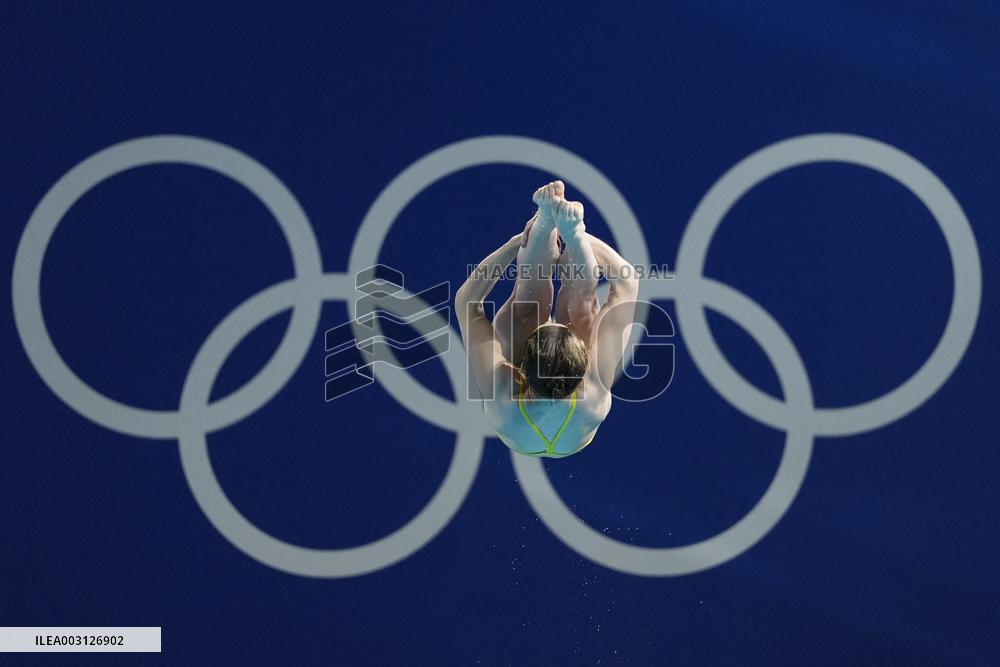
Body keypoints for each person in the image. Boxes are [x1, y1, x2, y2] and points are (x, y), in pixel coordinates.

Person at [456, 180, 639, 458]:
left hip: (518, 425)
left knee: (527, 307)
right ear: (583, 369)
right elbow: (627, 282)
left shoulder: (504, 393)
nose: (552, 320)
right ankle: (556, 229)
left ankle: (542, 226)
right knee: (580, 310)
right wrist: (579, 236)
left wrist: (517, 243)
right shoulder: (593, 387)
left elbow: (467, 304)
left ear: (522, 371)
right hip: (572, 426)